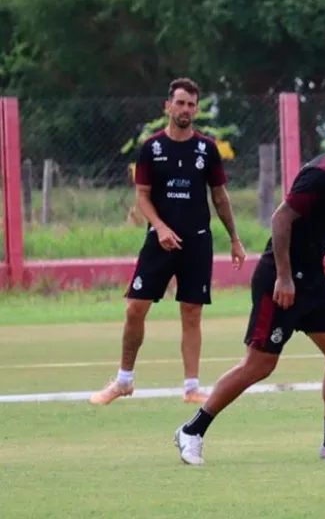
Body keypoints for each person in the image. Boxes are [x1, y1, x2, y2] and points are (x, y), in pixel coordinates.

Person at [174, 105, 325, 465]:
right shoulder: (321, 173)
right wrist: (284, 277)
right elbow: (281, 218)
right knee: (259, 365)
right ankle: (191, 430)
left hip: (312, 281)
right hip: (280, 279)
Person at [90, 77, 246, 406]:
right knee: (135, 308)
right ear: (168, 106)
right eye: (180, 103)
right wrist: (159, 227)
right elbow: (142, 198)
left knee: (192, 312)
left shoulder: (207, 149)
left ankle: (191, 388)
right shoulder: (152, 148)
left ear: (195, 109)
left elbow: (220, 197)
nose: (186, 109)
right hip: (158, 242)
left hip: (197, 242)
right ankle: (123, 381)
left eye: (191, 104)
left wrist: (234, 239)